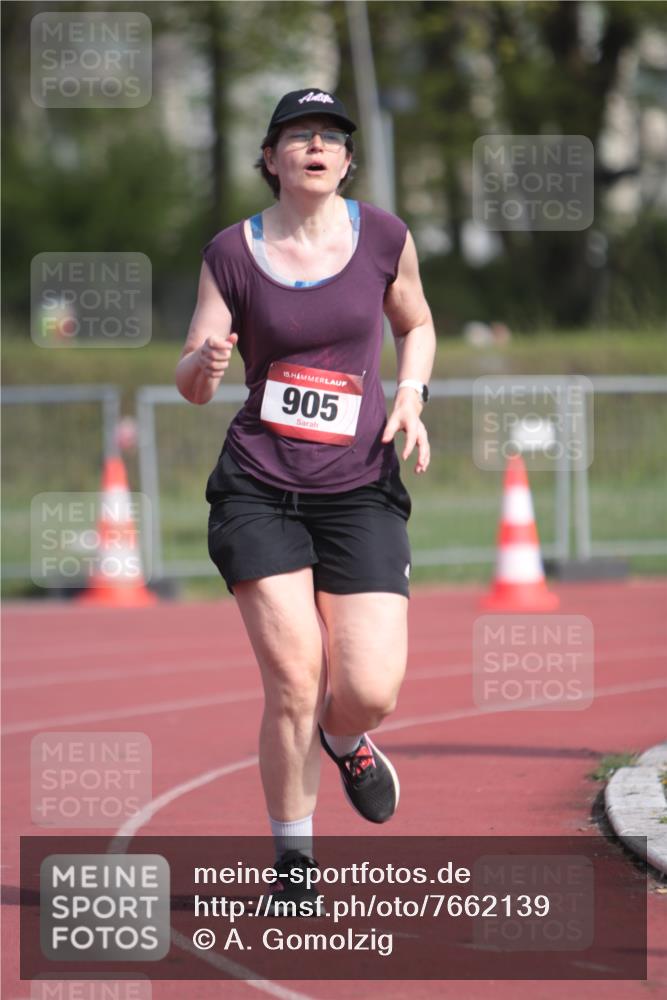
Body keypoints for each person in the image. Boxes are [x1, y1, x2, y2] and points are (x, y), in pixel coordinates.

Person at [176, 88, 436, 911]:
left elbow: (417, 323)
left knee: (368, 686)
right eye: (298, 137)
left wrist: (412, 393)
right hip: (258, 485)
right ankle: (294, 864)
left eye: (331, 137)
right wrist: (205, 368)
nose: (316, 147)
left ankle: (346, 736)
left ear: (347, 160)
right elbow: (187, 375)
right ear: (270, 159)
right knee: (293, 678)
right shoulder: (231, 252)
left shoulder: (384, 237)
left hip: (359, 486)